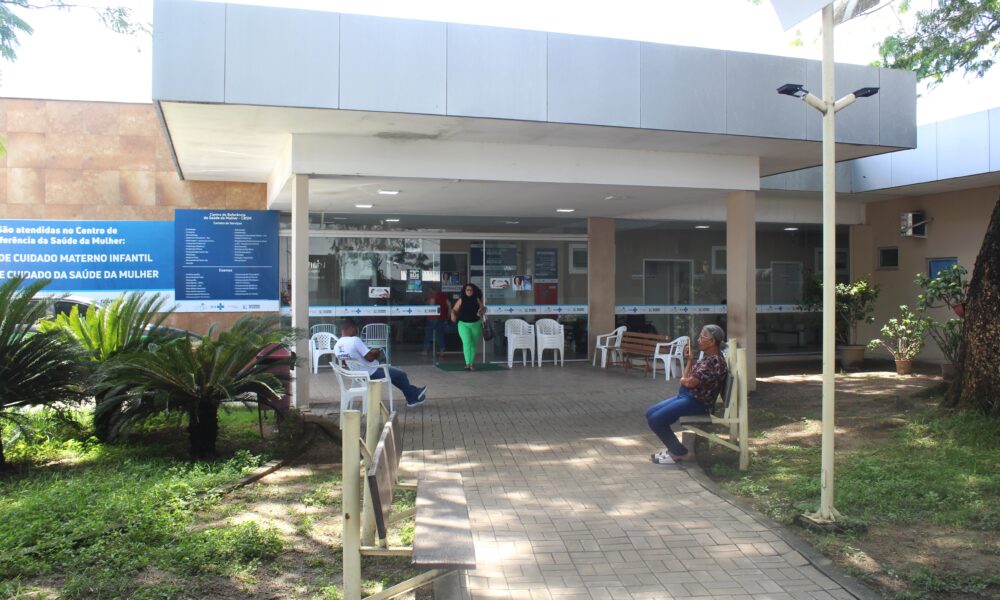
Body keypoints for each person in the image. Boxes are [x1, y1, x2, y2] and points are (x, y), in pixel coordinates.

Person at [646, 324, 728, 464]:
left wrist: (683, 380)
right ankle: (673, 449)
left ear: (712, 341)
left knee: (656, 420)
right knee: (650, 413)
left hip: (697, 403)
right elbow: (686, 380)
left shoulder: (714, 362)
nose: (698, 340)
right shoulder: (708, 358)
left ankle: (678, 453)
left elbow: (689, 382)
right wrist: (690, 360)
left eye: (702, 337)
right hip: (687, 396)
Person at [333, 319, 427, 407]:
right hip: (372, 372)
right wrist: (377, 352)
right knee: (401, 374)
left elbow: (345, 362)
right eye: (355, 329)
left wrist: (367, 355)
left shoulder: (337, 345)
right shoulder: (354, 340)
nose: (356, 332)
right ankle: (412, 397)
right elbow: (370, 358)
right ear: (351, 328)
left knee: (394, 375)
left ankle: (413, 394)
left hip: (358, 375)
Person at [450, 282, 486, 371]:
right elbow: (454, 309)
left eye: (471, 290)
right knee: (467, 342)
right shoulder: (461, 300)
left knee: (473, 344)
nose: (469, 291)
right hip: (463, 325)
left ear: (474, 291)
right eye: (467, 290)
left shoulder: (477, 299)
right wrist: (453, 315)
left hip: (475, 324)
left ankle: (471, 364)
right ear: (464, 291)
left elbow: (483, 308)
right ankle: (467, 363)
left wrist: (482, 310)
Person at [423, 288, 451, 357]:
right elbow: (449, 304)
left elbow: (431, 305)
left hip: (432, 318)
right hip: (441, 318)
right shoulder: (443, 296)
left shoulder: (432, 296)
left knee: (428, 334)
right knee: (440, 334)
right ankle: (442, 351)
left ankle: (425, 351)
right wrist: (448, 316)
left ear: (431, 290)